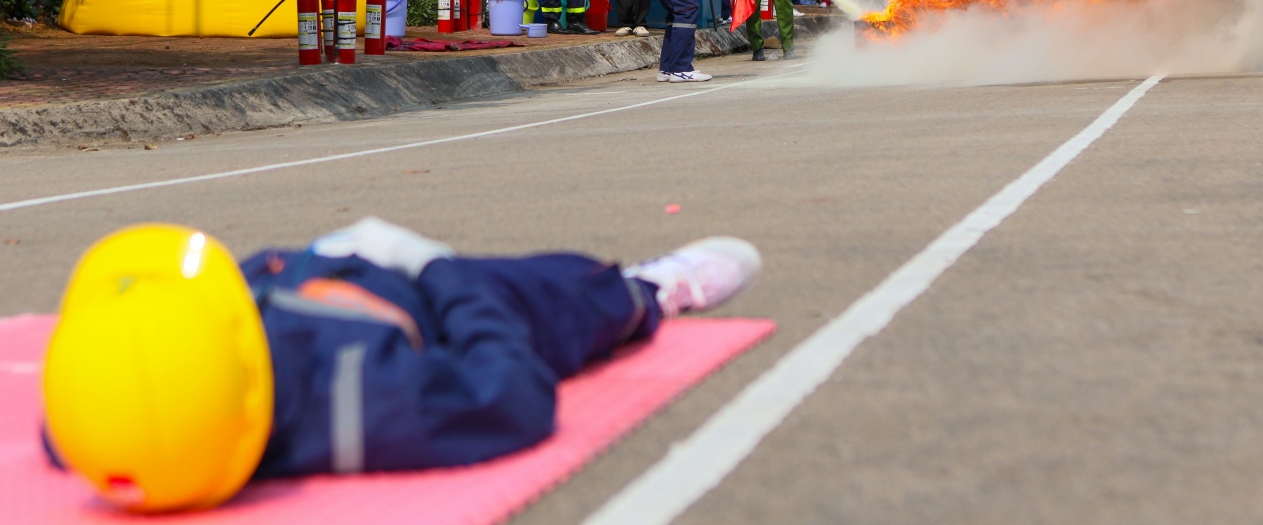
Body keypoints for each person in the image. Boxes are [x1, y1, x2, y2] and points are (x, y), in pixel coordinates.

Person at [41, 220, 762, 513]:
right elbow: (509, 389)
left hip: (295, 274)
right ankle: (647, 292)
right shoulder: (366, 396)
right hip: (428, 301)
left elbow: (87, 402)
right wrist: (436, 270)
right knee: (562, 291)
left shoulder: (116, 413)